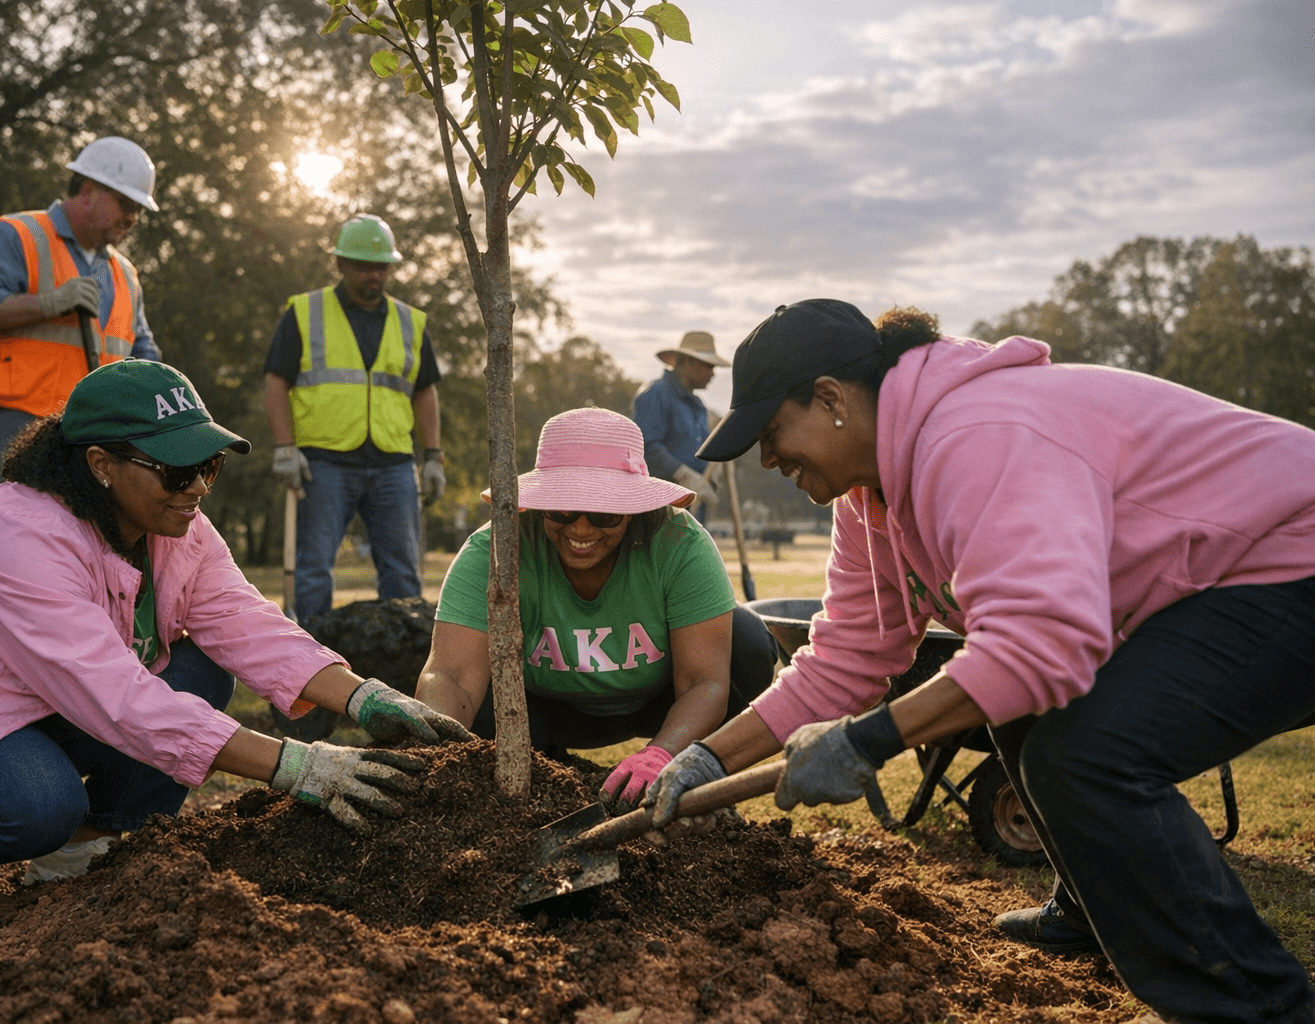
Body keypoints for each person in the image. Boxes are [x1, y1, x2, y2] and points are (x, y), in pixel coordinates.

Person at [645, 299, 1315, 1024]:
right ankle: (1094, 907)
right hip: (1226, 581)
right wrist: (708, 759)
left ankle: (1257, 1007)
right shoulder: (869, 499)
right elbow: (845, 657)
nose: (770, 460)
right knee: (1021, 711)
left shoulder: (977, 433)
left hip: (1291, 553)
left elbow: (1040, 645)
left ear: (832, 399)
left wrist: (867, 740)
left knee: (1084, 754)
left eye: (773, 433)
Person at [0, 359, 467, 934]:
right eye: (177, 472)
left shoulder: (179, 528)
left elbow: (246, 622)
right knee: (36, 805)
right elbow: (114, 697)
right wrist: (297, 767)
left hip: (10, 706)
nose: (198, 486)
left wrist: (365, 696)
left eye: (209, 466)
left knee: (198, 672)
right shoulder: (19, 536)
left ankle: (84, 847)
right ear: (102, 464)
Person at [415, 407, 780, 813]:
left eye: (605, 513)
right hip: (541, 710)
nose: (582, 530)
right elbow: (451, 675)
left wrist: (663, 754)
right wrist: (434, 753)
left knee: (747, 641)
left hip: (660, 701)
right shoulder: (494, 551)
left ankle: (696, 781)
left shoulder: (680, 545)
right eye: (562, 510)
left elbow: (704, 683)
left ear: (634, 507)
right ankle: (531, 779)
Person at [0, 136, 165, 486]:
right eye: (125, 202)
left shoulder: (125, 273)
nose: (133, 217)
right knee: (30, 528)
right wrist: (51, 303)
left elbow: (142, 351)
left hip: (93, 430)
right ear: (88, 191)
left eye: (139, 209)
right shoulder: (14, 235)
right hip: (18, 418)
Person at [263, 213, 446, 623]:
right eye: (364, 266)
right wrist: (284, 447)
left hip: (393, 463)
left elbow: (425, 390)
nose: (373, 275)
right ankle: (312, 671)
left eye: (381, 266)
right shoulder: (305, 312)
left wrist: (433, 455)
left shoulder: (410, 322)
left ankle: (407, 667)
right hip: (324, 461)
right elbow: (276, 380)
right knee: (313, 572)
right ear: (341, 264)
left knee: (402, 574)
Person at [631, 330, 729, 518]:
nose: (713, 374)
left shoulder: (698, 406)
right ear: (687, 362)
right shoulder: (655, 395)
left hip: (693, 509)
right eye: (709, 366)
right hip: (662, 510)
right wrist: (685, 476)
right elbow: (647, 448)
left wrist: (711, 477)